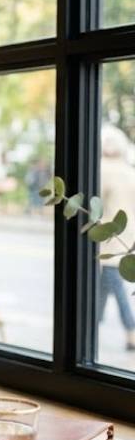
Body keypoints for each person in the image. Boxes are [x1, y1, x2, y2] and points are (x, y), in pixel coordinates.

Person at [98, 125, 135, 351]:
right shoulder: (130, 170)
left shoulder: (103, 169)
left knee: (113, 281)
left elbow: (95, 204)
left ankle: (131, 331)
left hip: (109, 237)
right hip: (128, 236)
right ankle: (93, 322)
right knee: (104, 285)